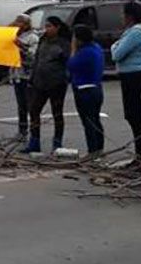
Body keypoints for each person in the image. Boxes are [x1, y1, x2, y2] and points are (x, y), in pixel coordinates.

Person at [111, 2, 141, 171]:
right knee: (131, 115)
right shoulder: (134, 32)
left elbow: (116, 54)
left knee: (134, 116)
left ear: (130, 16)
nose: (122, 18)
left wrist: (116, 45)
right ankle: (140, 157)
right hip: (131, 74)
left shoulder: (136, 33)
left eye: (124, 14)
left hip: (133, 75)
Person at [22, 16, 71, 154]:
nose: (47, 29)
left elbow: (68, 61)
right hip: (39, 82)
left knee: (57, 113)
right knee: (34, 110)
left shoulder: (63, 43)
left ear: (57, 27)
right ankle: (34, 142)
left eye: (50, 26)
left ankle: (57, 143)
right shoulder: (43, 40)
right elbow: (37, 59)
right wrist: (32, 78)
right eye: (46, 26)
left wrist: (65, 77)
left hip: (56, 83)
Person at [68, 25, 105, 158]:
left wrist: (73, 50)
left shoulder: (84, 52)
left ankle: (93, 151)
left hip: (85, 89)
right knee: (95, 120)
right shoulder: (96, 48)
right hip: (96, 87)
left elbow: (71, 65)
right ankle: (99, 148)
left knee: (88, 122)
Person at [9, 14, 39, 140]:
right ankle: (22, 131)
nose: (17, 25)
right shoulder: (16, 35)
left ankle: (34, 133)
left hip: (28, 76)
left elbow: (32, 56)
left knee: (30, 105)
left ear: (26, 25)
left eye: (19, 22)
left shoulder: (33, 37)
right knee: (21, 106)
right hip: (17, 75)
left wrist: (19, 46)